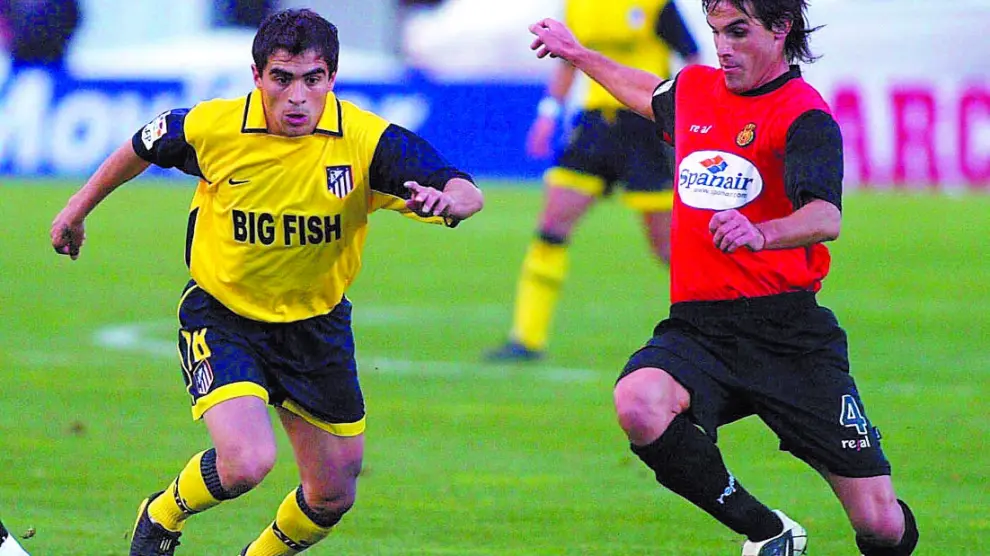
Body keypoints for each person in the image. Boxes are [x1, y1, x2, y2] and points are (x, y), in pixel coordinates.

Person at [50, 9, 483, 556]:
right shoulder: (216, 128)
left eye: (313, 79)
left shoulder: (367, 141)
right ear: (257, 76)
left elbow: (464, 189)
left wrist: (449, 203)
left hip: (316, 327)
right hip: (223, 314)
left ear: (332, 77)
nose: (297, 97)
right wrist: (77, 209)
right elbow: (144, 143)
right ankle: (162, 515)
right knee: (246, 462)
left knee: (332, 496)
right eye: (282, 78)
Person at [528, 1, 919, 555]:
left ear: (781, 29)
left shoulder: (804, 113)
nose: (723, 47)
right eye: (715, 32)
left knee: (880, 525)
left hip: (788, 336)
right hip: (701, 329)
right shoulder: (695, 90)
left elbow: (824, 216)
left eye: (738, 32)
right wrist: (577, 53)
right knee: (638, 402)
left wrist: (762, 232)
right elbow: (646, 91)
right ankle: (769, 532)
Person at [486, 0, 700, 361]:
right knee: (551, 227)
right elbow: (567, 60)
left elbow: (691, 57)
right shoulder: (577, 6)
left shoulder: (656, 4)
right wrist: (548, 114)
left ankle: (721, 328)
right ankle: (526, 338)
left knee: (669, 248)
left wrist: (695, 115)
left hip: (645, 126)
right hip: (595, 125)